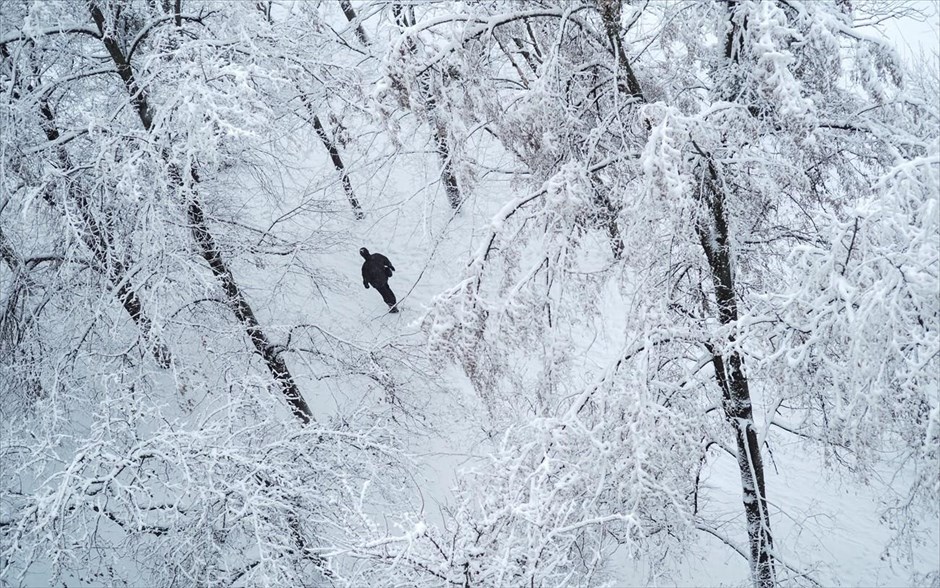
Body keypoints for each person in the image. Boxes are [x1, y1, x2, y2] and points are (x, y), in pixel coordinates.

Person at [360, 247, 399, 313]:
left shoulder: (365, 266)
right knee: (387, 289)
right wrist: (390, 266)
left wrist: (366, 284)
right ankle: (393, 303)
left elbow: (365, 277)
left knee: (384, 293)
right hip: (383, 278)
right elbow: (385, 260)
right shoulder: (376, 256)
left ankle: (392, 306)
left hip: (377, 284)